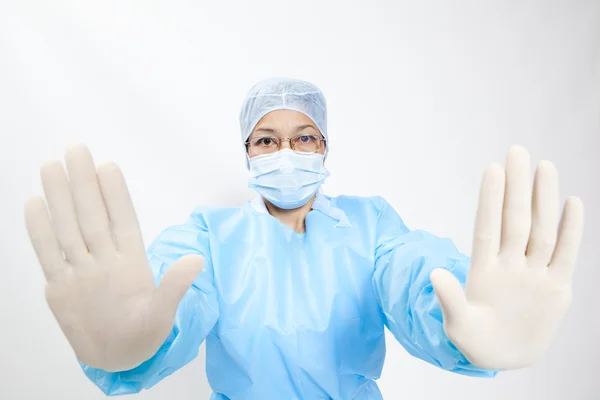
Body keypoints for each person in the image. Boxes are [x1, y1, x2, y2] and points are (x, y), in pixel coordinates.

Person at [24, 78, 584, 399]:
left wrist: (467, 317)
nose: (285, 151)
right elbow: (172, 298)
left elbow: (415, 274)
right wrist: (135, 340)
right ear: (246, 152)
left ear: (324, 148)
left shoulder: (371, 228)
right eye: (266, 140)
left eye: (304, 137)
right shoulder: (210, 237)